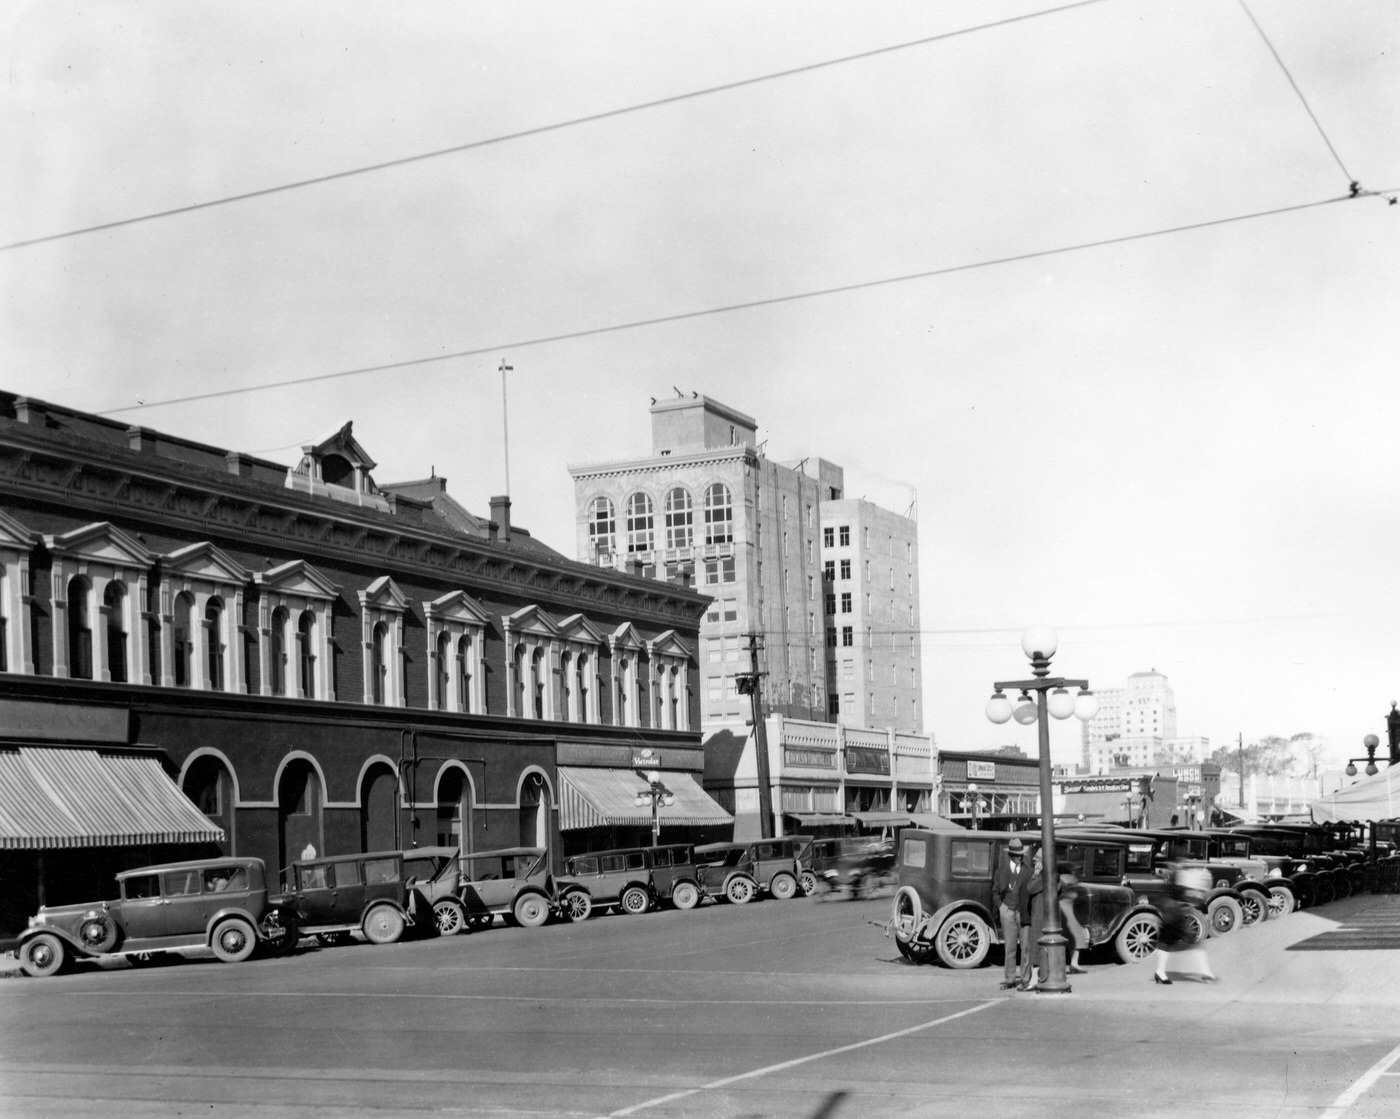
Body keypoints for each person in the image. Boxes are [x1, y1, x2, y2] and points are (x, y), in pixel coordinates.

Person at [1152, 864, 1217, 985]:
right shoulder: (1178, 875)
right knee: (1194, 943)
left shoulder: (1171, 875)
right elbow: (1185, 894)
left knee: (1166, 943)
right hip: (1176, 913)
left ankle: (1160, 972)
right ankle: (1206, 973)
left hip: (1169, 912)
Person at [991, 837, 1033, 990]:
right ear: (1010, 855)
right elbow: (995, 892)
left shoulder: (1029, 871)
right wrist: (1001, 907)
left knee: (1026, 947)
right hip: (1007, 911)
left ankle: (1025, 979)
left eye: (1021, 855)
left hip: (1024, 913)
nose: (1020, 858)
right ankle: (1009, 979)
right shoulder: (1001, 871)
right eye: (1017, 855)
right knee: (1009, 947)